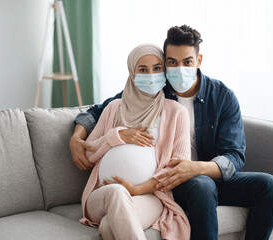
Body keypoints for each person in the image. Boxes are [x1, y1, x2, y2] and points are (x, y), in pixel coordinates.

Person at [71, 25, 273, 240]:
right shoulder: (155, 88)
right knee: (202, 185)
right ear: (165, 63)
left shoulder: (222, 97)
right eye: (172, 62)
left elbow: (234, 156)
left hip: (205, 174)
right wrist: (76, 137)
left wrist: (196, 168)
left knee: (270, 185)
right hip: (172, 180)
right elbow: (101, 109)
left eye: (187, 62)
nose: (179, 69)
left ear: (198, 61)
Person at [79, 43, 191, 240]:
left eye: (157, 68)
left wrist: (138, 189)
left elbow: (177, 167)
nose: (151, 75)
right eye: (143, 69)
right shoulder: (114, 108)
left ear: (164, 71)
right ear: (132, 73)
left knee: (108, 227)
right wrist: (117, 136)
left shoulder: (176, 112)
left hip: (149, 197)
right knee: (116, 191)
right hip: (102, 194)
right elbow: (88, 153)